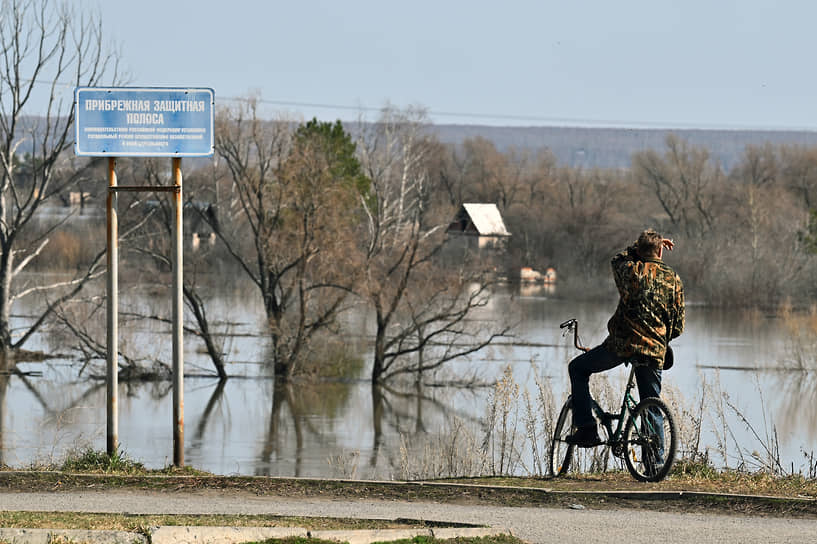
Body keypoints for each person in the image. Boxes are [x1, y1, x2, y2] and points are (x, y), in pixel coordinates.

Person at [566, 228, 685, 447]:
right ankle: (655, 466)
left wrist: (636, 249)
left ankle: (586, 430)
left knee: (577, 368)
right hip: (654, 348)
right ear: (660, 252)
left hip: (622, 344)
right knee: (652, 404)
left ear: (640, 250)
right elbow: (678, 325)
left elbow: (616, 259)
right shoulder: (673, 278)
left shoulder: (630, 270)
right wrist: (662, 339)